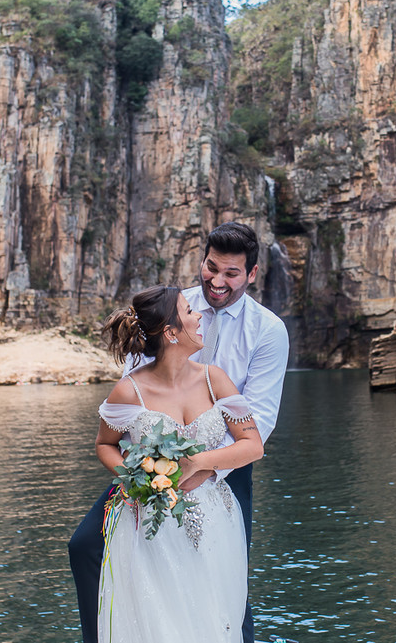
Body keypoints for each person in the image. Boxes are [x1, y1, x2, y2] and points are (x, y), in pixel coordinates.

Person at [69, 221, 290, 643]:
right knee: (86, 546)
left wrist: (201, 469)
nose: (217, 281)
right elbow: (134, 392)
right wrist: (150, 475)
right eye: (211, 267)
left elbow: (258, 421)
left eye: (231, 273)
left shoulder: (268, 330)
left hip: (225, 463)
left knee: (222, 572)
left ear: (252, 274)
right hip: (151, 461)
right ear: (202, 260)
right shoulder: (171, 309)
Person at [95, 285, 263, 642]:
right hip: (149, 522)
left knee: (214, 621)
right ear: (171, 333)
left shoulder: (214, 379)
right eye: (189, 312)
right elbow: (105, 445)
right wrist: (132, 477)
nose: (199, 315)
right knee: (161, 624)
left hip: (216, 521)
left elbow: (253, 446)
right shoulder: (130, 391)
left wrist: (197, 462)